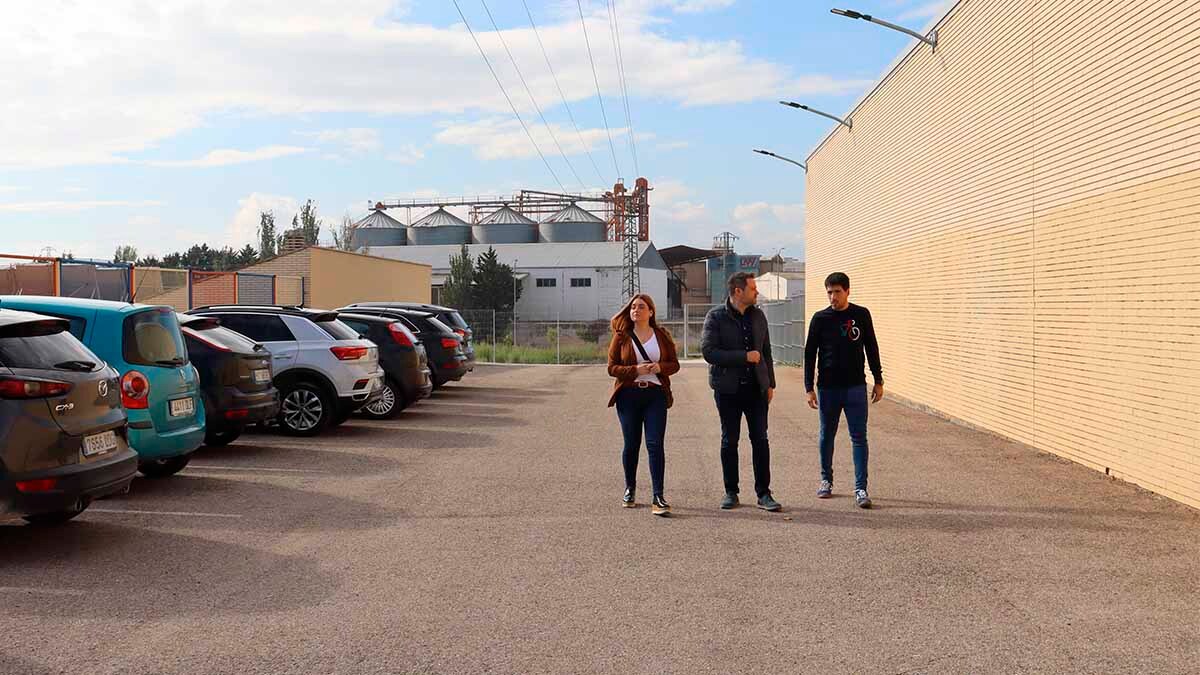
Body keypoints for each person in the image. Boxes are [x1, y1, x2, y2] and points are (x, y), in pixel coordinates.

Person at [701, 272, 780, 512]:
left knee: (760, 440)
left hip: (756, 389)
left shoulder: (758, 316)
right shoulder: (716, 317)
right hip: (728, 390)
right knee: (730, 440)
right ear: (738, 291)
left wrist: (770, 384)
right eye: (753, 289)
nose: (756, 292)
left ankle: (764, 494)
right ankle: (731, 492)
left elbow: (766, 352)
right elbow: (708, 352)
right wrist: (743, 357)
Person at [804, 272, 884, 509]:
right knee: (826, 435)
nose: (833, 297)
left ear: (847, 291)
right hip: (828, 388)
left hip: (855, 387)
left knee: (859, 437)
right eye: (829, 292)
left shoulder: (861, 315)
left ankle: (861, 488)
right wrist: (809, 387)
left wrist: (878, 379)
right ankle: (826, 479)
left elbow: (871, 347)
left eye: (837, 291)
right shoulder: (820, 319)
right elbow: (810, 355)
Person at [607, 293, 680, 517]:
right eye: (633, 307)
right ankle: (630, 488)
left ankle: (658, 495)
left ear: (651, 312)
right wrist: (635, 371)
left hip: (655, 396)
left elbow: (674, 364)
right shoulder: (621, 337)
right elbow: (612, 368)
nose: (636, 310)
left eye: (641, 307)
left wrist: (660, 367)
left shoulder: (662, 335)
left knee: (655, 444)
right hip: (628, 396)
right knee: (631, 445)